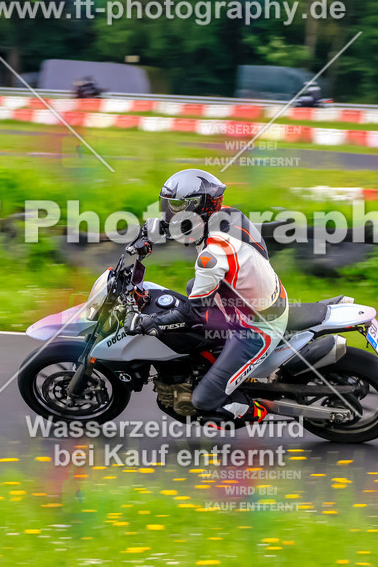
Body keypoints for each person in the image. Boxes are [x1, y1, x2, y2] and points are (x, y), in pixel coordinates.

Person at [124, 169, 289, 423]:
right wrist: (150, 232)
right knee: (193, 286)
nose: (169, 211)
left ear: (198, 207)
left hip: (257, 327)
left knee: (203, 400)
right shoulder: (229, 215)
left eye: (176, 206)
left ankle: (263, 408)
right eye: (168, 205)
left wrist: (150, 323)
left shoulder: (212, 256)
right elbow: (185, 229)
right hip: (259, 298)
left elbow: (194, 312)